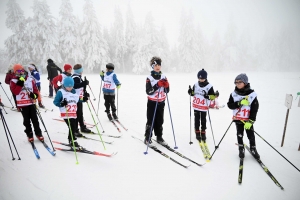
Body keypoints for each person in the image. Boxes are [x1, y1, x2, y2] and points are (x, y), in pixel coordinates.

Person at [227, 73, 260, 159]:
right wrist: (239, 103)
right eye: (236, 82)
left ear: (245, 83)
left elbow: (255, 108)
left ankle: (253, 148)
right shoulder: (234, 94)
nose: (237, 84)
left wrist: (251, 120)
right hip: (238, 119)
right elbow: (230, 105)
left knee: (250, 134)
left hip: (248, 120)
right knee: (239, 134)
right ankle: (241, 148)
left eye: (239, 82)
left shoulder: (252, 95)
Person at [9, 64, 44, 142]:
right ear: (15, 72)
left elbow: (35, 91)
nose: (20, 72)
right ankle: (29, 134)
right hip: (23, 104)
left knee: (35, 119)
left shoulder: (30, 79)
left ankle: (38, 133)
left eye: (21, 70)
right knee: (26, 120)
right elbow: (15, 92)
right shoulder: (13, 81)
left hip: (31, 103)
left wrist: (34, 95)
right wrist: (20, 83)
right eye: (18, 71)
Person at [144, 56, 170, 147]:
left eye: (159, 65)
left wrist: (166, 86)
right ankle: (147, 138)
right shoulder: (149, 78)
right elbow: (148, 91)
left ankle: (159, 137)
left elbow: (167, 90)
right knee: (151, 120)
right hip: (152, 102)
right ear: (152, 66)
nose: (158, 66)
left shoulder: (163, 76)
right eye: (156, 65)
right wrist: (157, 86)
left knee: (160, 120)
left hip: (161, 102)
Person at [53, 76, 85, 149]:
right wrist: (62, 104)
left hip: (73, 113)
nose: (70, 88)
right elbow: (55, 102)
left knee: (73, 126)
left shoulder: (73, 91)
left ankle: (71, 139)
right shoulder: (61, 92)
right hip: (66, 113)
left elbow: (78, 99)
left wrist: (84, 99)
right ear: (64, 85)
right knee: (72, 126)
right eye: (68, 87)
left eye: (71, 86)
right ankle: (72, 140)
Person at [188, 69, 215, 142]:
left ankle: (203, 131)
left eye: (202, 78)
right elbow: (193, 93)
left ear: (205, 78)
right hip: (196, 105)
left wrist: (208, 96)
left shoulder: (209, 86)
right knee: (196, 119)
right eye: (199, 78)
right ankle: (197, 131)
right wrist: (190, 92)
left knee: (203, 119)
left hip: (204, 106)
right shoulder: (196, 85)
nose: (201, 80)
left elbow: (213, 96)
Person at [72, 64, 91, 135]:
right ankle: (75, 130)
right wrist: (84, 83)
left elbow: (81, 87)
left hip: (79, 97)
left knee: (80, 113)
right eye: (81, 70)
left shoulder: (78, 76)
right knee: (77, 114)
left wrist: (85, 93)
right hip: (75, 98)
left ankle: (82, 127)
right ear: (79, 71)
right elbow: (75, 86)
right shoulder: (75, 77)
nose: (82, 71)